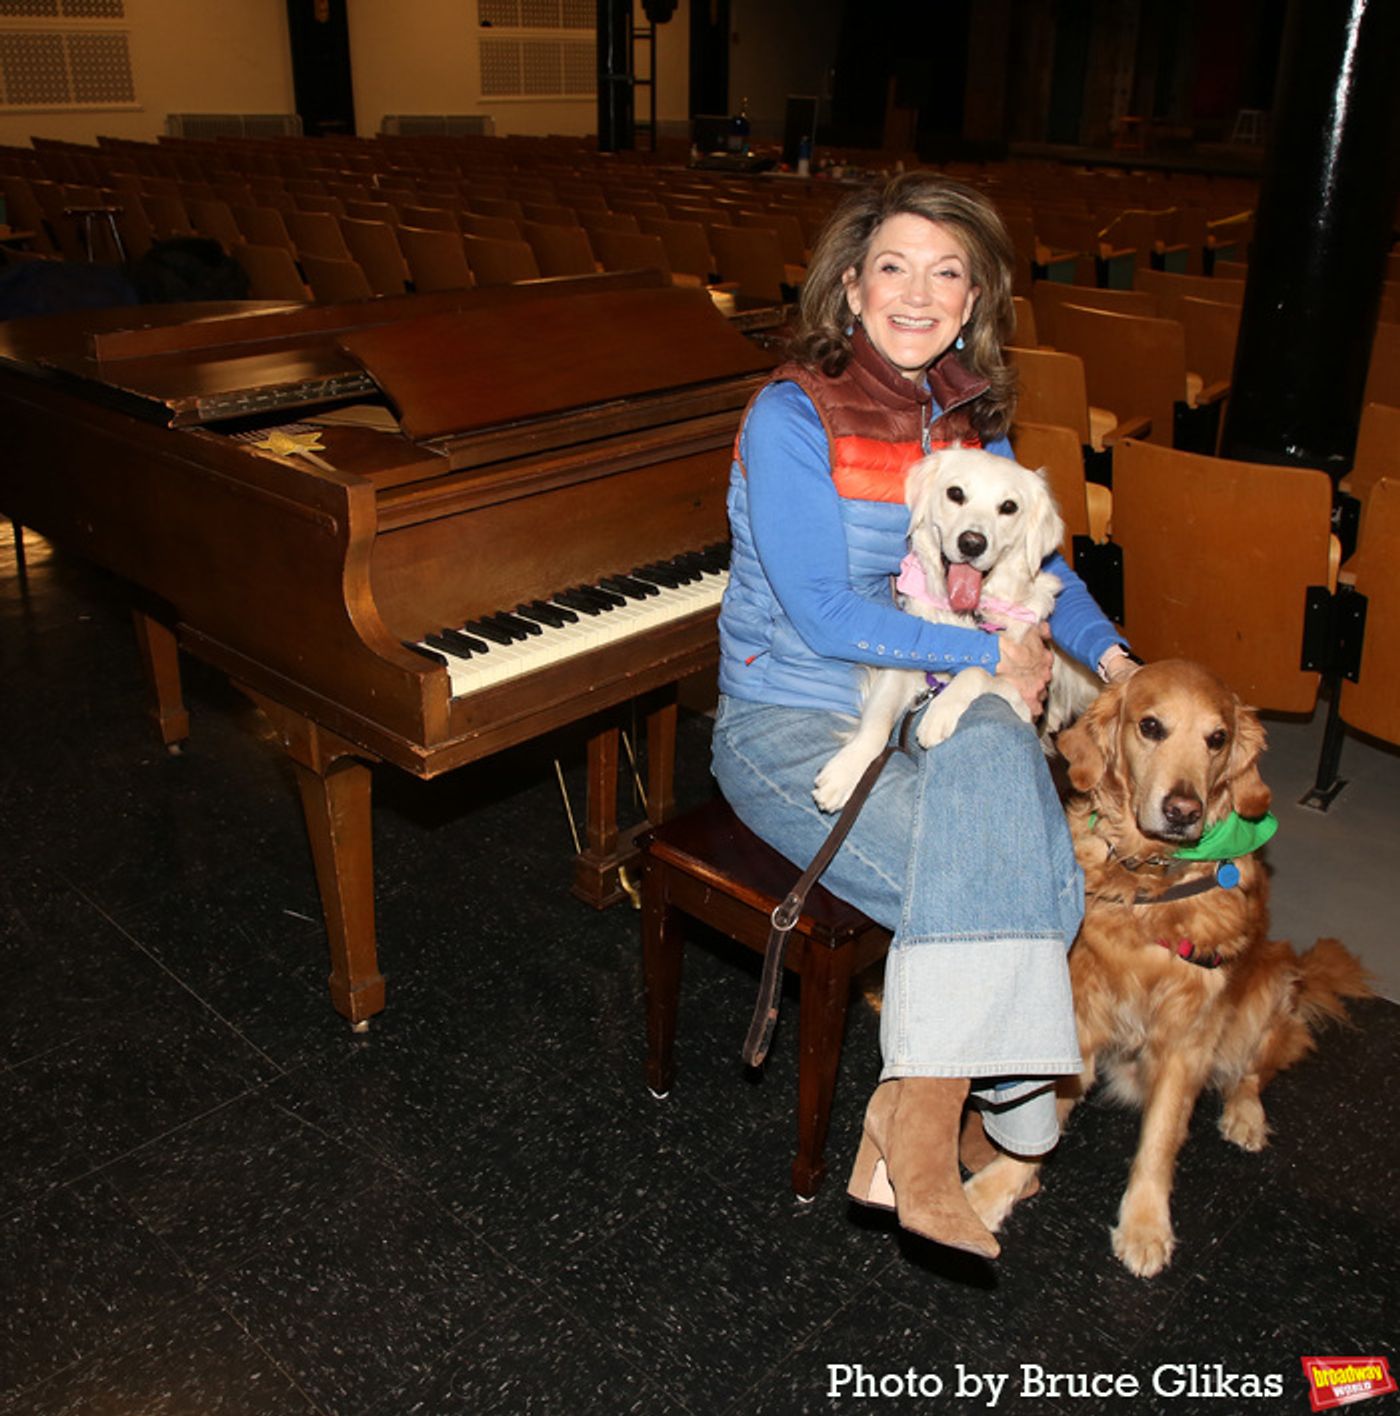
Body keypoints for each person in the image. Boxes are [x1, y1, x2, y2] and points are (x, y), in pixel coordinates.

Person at [711, 171, 1137, 1259]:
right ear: (848, 286)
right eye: (891, 266)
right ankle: (970, 1115)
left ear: (974, 297)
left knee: (1012, 810)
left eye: (945, 272)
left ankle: (905, 1113)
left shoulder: (963, 414)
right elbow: (819, 611)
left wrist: (1110, 658)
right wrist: (991, 647)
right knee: (1033, 887)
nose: (916, 292)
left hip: (937, 699)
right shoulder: (790, 412)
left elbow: (1034, 561)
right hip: (795, 718)